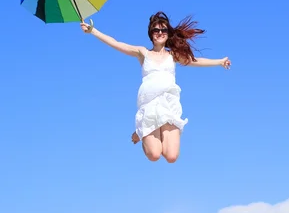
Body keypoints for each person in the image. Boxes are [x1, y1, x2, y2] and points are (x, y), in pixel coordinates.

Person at [80, 11, 231, 163]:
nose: (160, 33)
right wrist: (93, 31)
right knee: (154, 155)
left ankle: (148, 132)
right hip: (150, 104)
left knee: (171, 157)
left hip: (168, 104)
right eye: (156, 30)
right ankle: (141, 132)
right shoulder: (143, 53)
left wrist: (219, 61)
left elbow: (195, 61)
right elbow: (117, 43)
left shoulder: (173, 55)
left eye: (163, 30)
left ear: (168, 33)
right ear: (151, 34)